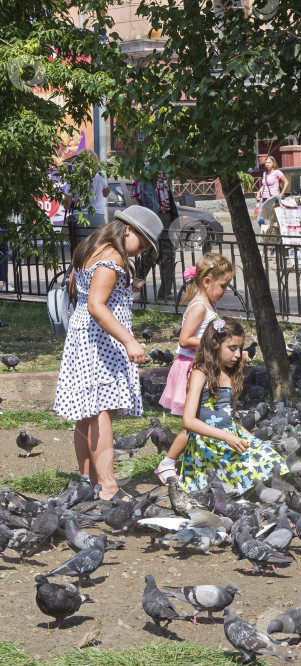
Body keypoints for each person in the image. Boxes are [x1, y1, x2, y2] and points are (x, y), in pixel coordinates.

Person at [53, 206, 161, 501]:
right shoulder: (112, 257)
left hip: (83, 335)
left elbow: (79, 290)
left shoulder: (90, 247)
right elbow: (97, 305)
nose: (141, 252)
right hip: (101, 340)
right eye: (144, 244)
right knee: (101, 410)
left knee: (87, 411)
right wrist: (129, 341)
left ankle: (87, 481)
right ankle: (109, 487)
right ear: (129, 230)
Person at [153, 252, 236, 484]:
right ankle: (167, 463)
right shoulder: (199, 306)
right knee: (194, 424)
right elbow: (184, 339)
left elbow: (216, 330)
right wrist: (214, 346)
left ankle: (197, 462)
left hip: (202, 369)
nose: (225, 290)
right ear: (207, 281)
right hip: (191, 370)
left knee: (205, 420)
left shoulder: (210, 304)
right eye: (223, 285)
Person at [179, 316, 287, 493]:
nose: (238, 354)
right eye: (232, 348)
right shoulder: (200, 374)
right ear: (215, 345)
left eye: (240, 348)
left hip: (231, 437)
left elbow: (230, 419)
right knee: (246, 476)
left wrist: (250, 440)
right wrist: (226, 437)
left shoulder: (233, 375)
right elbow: (188, 421)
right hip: (208, 443)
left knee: (274, 460)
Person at [131, 166, 179, 300]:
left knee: (168, 256)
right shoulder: (143, 174)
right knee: (146, 256)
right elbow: (134, 198)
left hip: (167, 217)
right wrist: (142, 220)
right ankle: (137, 291)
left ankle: (165, 292)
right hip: (150, 218)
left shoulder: (168, 175)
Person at [62, 149, 111, 248]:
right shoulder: (100, 175)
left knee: (80, 251)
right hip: (98, 217)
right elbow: (106, 193)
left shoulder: (74, 178)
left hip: (79, 219)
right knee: (98, 250)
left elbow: (66, 205)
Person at [256, 156, 289, 234]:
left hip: (273, 198)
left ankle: (273, 236)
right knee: (260, 218)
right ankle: (267, 232)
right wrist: (259, 192)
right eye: (266, 163)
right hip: (264, 198)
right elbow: (264, 185)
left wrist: (281, 194)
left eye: (269, 162)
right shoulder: (265, 173)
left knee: (273, 219)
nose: (267, 164)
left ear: (273, 164)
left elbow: (286, 182)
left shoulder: (277, 172)